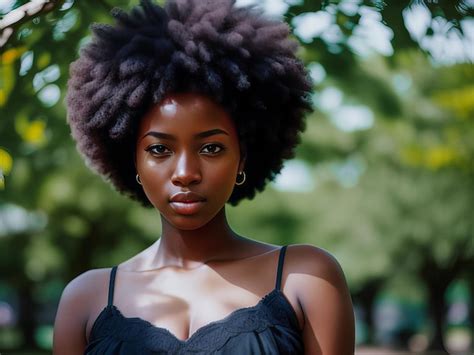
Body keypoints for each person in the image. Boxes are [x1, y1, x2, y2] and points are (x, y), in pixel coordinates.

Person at [53, 0, 355, 354]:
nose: (185, 174)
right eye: (159, 150)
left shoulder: (304, 278)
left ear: (243, 157)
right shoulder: (86, 299)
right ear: (130, 159)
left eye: (211, 148)